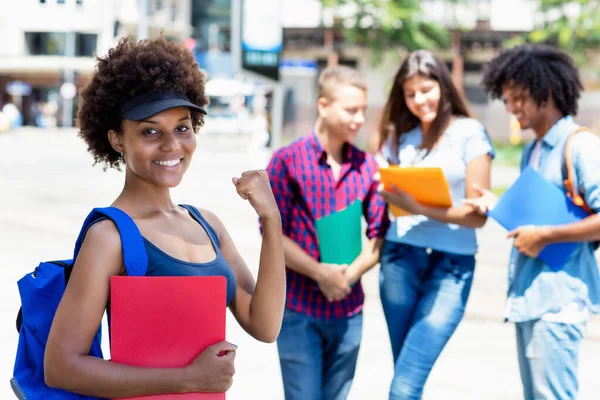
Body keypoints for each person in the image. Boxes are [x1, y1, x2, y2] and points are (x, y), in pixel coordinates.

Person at [43, 37, 286, 398]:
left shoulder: (207, 224)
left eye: (183, 127)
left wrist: (272, 221)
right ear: (117, 139)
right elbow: (61, 366)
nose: (172, 145)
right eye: (150, 131)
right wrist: (190, 379)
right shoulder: (110, 237)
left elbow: (264, 325)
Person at [466, 44, 600, 400]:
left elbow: (546, 228)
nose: (511, 109)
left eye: (520, 99)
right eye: (507, 100)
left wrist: (545, 234)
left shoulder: (581, 146)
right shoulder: (534, 149)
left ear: (549, 92)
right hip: (529, 295)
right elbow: (532, 218)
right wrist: (497, 206)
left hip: (559, 300)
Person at [375, 49, 494, 399]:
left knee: (404, 385)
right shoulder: (401, 137)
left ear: (443, 85)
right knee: (407, 374)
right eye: (410, 94)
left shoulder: (471, 133)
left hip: (451, 268)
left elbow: (478, 215)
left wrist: (418, 207)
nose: (418, 100)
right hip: (400, 260)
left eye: (425, 89)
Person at [266, 65, 389, 400]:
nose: (360, 118)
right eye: (351, 110)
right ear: (323, 105)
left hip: (348, 311)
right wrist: (320, 273)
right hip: (297, 310)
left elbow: (380, 237)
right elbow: (272, 236)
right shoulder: (285, 161)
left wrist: (346, 277)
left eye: (363, 110)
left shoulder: (369, 167)